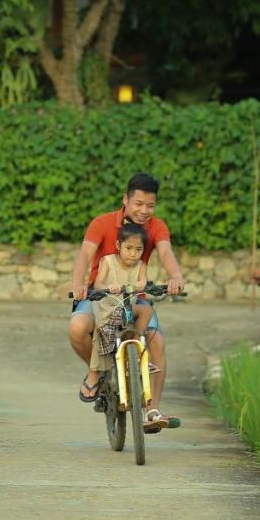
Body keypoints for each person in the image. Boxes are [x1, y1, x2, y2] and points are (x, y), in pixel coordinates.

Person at [68, 172, 186, 433]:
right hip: (100, 296)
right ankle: (100, 371)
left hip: (135, 296)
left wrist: (176, 276)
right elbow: (85, 255)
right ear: (126, 200)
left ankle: (152, 410)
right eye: (139, 204)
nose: (145, 211)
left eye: (151, 205)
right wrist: (78, 284)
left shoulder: (157, 226)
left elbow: (165, 251)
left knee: (157, 340)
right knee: (77, 329)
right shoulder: (102, 223)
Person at [89, 223, 153, 377]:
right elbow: (98, 284)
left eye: (138, 250)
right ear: (118, 245)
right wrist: (109, 286)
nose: (133, 254)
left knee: (146, 310)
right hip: (109, 307)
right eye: (129, 248)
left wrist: (140, 285)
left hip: (127, 307)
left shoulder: (141, 265)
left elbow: (143, 282)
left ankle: (137, 349)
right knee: (106, 327)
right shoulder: (108, 261)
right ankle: (100, 371)